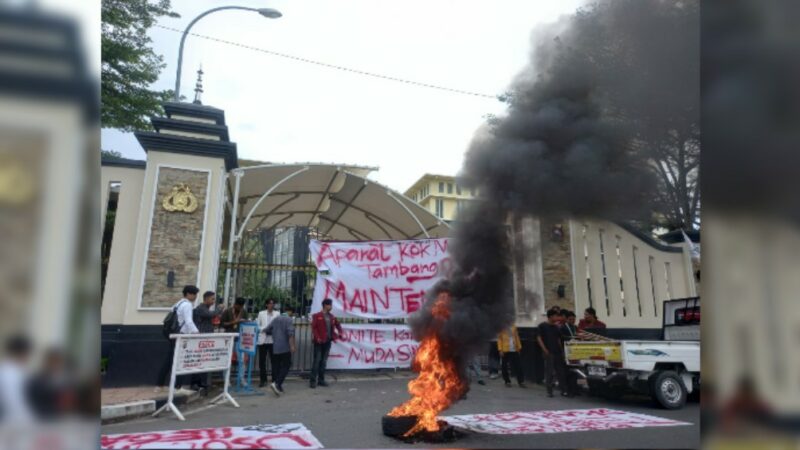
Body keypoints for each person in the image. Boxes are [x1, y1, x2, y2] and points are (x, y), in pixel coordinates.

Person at [157, 285, 199, 391]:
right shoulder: (188, 305)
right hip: (180, 335)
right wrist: (196, 333)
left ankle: (159, 385)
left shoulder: (178, 303)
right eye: (194, 294)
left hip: (172, 334)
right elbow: (188, 321)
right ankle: (178, 387)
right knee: (181, 360)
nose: (195, 296)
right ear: (188, 294)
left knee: (169, 360)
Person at [0, 335, 35, 423]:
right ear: (23, 353)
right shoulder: (8, 373)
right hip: (11, 424)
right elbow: (14, 404)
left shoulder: (19, 371)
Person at [309, 298, 343, 388]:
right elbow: (314, 328)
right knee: (317, 361)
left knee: (323, 362)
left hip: (327, 341)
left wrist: (340, 332)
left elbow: (338, 325)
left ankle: (321, 380)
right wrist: (317, 337)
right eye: (330, 305)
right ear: (325, 305)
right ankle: (312, 381)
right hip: (319, 342)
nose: (331, 307)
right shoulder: (317, 315)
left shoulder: (332, 316)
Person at [191, 291, 221, 390]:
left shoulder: (206, 308)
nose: (213, 301)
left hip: (206, 337)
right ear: (206, 299)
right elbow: (210, 315)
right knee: (198, 360)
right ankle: (194, 383)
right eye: (212, 299)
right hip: (200, 338)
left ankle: (200, 382)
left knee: (203, 360)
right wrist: (219, 308)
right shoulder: (201, 308)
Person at [265, 306, 296, 396]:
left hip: (275, 346)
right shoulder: (289, 320)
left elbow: (267, 330)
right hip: (285, 347)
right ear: (290, 312)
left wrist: (274, 334)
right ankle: (277, 383)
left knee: (276, 366)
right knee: (287, 365)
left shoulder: (275, 319)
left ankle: (278, 385)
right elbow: (290, 334)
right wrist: (292, 346)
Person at [538, 309, 569, 397]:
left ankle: (563, 390)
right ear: (551, 316)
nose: (557, 318)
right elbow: (539, 338)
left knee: (560, 371)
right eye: (556, 316)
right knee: (549, 372)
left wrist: (561, 351)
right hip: (549, 351)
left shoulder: (556, 327)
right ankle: (549, 390)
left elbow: (558, 339)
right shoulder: (542, 326)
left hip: (557, 352)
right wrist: (544, 349)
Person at [256, 299, 280, 387]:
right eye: (270, 303)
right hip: (263, 340)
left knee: (274, 361)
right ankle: (263, 380)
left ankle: (274, 380)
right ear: (266, 305)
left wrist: (273, 330)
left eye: (273, 303)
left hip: (273, 340)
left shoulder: (277, 314)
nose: (271, 305)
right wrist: (264, 329)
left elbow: (279, 325)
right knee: (262, 361)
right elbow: (257, 325)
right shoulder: (261, 313)